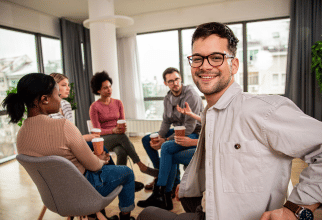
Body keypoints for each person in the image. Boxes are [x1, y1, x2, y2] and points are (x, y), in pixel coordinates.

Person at [138, 22, 322, 220]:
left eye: (216, 58)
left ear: (233, 65)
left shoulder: (263, 110)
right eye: (198, 58)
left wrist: (296, 209)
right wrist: (193, 183)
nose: (205, 65)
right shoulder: (210, 113)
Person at [2, 73, 136, 220]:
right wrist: (101, 160)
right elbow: (94, 166)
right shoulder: (63, 126)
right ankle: (125, 217)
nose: (60, 99)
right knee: (127, 172)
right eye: (56, 95)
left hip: (54, 198)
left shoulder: (20, 135)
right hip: (85, 190)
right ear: (44, 99)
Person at [141, 67, 203, 192]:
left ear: (181, 79)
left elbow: (189, 128)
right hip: (178, 131)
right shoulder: (167, 98)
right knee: (146, 139)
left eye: (177, 79)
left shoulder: (191, 96)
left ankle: (162, 188)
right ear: (165, 83)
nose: (175, 83)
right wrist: (160, 136)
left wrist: (166, 140)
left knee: (167, 146)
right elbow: (166, 121)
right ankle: (162, 172)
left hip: (194, 133)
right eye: (170, 81)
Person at [89, 71, 158, 180]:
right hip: (104, 139)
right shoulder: (94, 107)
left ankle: (120, 178)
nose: (109, 90)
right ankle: (141, 165)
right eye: (105, 88)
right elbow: (97, 132)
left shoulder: (118, 103)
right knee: (121, 137)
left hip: (118, 137)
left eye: (110, 86)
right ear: (98, 90)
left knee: (121, 152)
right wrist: (113, 131)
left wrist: (122, 128)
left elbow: (122, 121)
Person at [49, 73, 99, 143]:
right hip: (58, 145)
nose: (68, 88)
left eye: (68, 85)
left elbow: (71, 131)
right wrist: (84, 137)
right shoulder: (47, 108)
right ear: (54, 87)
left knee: (96, 143)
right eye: (64, 85)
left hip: (71, 143)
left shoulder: (66, 105)